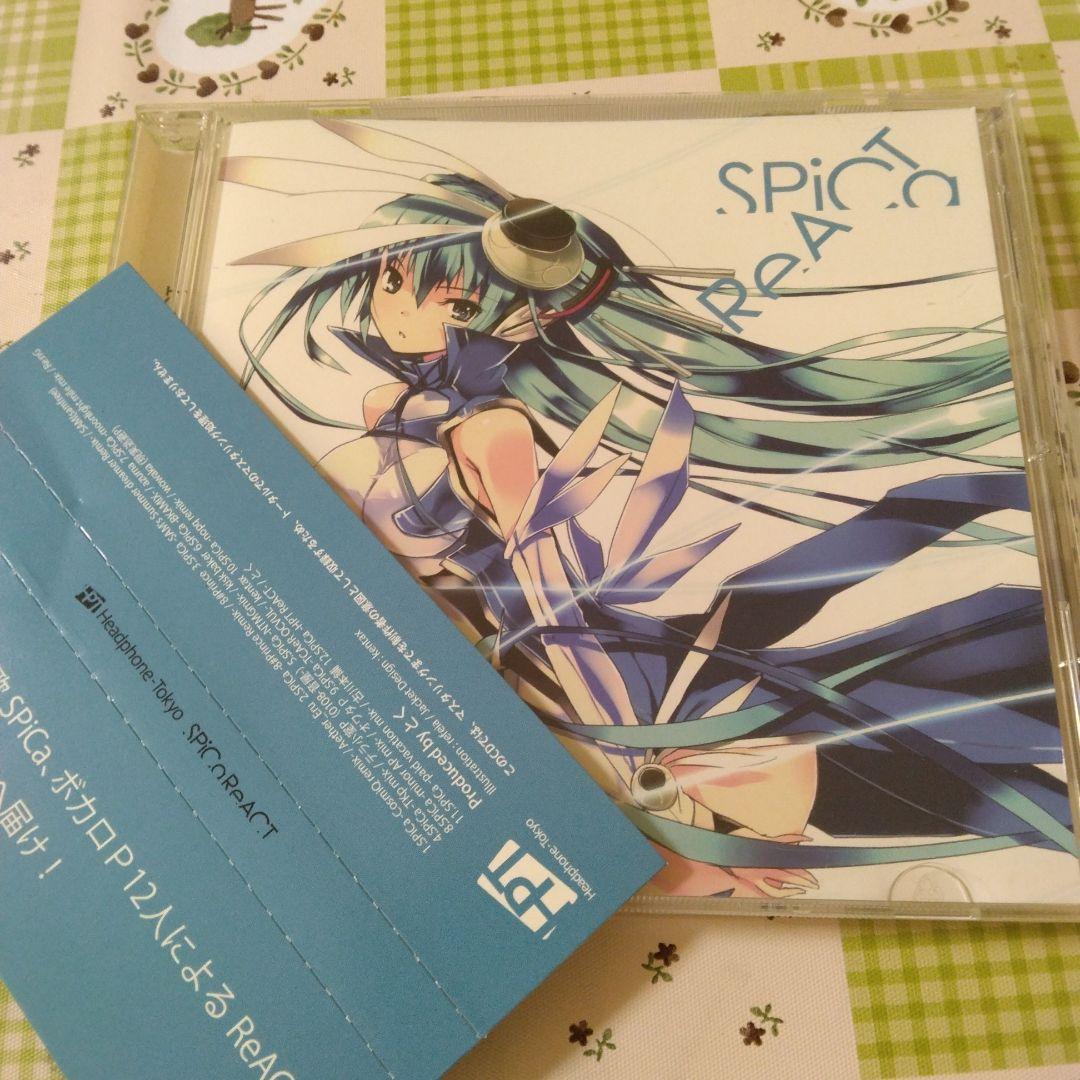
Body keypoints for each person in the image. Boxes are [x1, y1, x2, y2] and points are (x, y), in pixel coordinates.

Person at [221, 119, 1076, 898]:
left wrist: (642, 754)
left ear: (511, 325)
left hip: (589, 678)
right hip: (501, 674)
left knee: (839, 743)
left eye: (446, 298)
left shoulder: (491, 432)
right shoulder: (397, 409)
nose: (393, 296)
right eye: (397, 273)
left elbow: (554, 603)